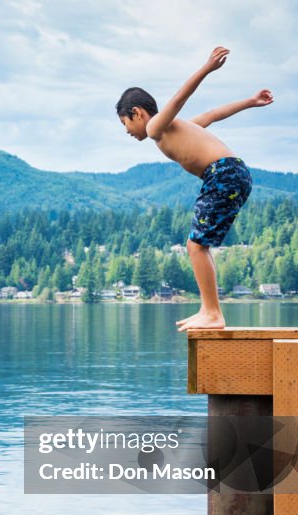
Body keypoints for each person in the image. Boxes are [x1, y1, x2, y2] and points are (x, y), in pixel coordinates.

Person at [116, 46, 273, 330]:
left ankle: (212, 313)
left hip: (222, 174)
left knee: (195, 244)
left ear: (137, 113)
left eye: (125, 123)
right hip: (233, 174)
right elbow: (213, 114)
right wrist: (250, 101)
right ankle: (208, 310)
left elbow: (178, 99)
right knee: (199, 245)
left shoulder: (155, 128)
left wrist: (206, 68)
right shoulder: (177, 128)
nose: (127, 131)